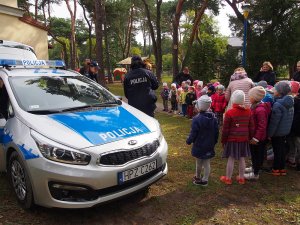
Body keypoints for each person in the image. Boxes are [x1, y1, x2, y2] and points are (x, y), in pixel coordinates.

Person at [220, 90, 255, 185]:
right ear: (243, 100)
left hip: (232, 139)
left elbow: (225, 129)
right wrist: (251, 137)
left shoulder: (229, 112)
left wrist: (223, 140)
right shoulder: (248, 111)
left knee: (231, 158)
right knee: (242, 158)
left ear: (233, 100)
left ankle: (228, 178)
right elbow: (251, 127)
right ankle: (241, 178)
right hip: (244, 139)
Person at [186, 95, 219, 186]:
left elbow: (193, 133)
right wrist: (214, 141)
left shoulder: (196, 119)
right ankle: (205, 179)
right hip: (209, 144)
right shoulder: (214, 118)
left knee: (199, 162)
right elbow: (216, 132)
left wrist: (189, 141)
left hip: (199, 145)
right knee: (207, 162)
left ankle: (198, 176)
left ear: (199, 106)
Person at [244, 86, 271, 180]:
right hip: (253, 136)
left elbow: (262, 126)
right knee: (253, 154)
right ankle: (254, 167)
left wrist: (256, 138)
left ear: (255, 98)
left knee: (257, 155)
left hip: (258, 138)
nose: (249, 98)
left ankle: (255, 174)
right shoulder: (254, 106)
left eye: (250, 96)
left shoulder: (260, 110)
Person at [268, 81, 294, 176]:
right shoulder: (290, 102)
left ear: (280, 92)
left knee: (277, 150)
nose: (273, 91)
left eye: (275, 89)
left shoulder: (278, 105)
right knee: (282, 149)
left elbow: (274, 122)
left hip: (277, 132)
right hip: (285, 131)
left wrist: (270, 134)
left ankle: (275, 168)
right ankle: (282, 168)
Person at [290, 88, 300, 171]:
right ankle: (293, 160)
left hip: (296, 128)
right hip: (296, 128)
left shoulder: (295, 101)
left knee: (295, 145)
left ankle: (294, 161)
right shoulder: (296, 101)